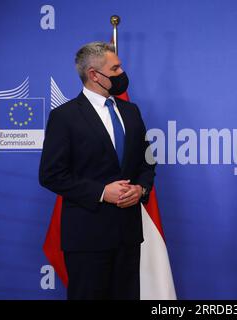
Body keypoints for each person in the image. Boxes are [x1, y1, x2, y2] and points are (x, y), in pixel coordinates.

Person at [39, 42, 155, 300]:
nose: (122, 72)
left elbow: (147, 161)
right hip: (87, 239)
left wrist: (141, 189)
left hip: (128, 235)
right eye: (115, 68)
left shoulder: (131, 111)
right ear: (94, 75)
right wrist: (102, 192)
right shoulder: (65, 116)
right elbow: (51, 174)